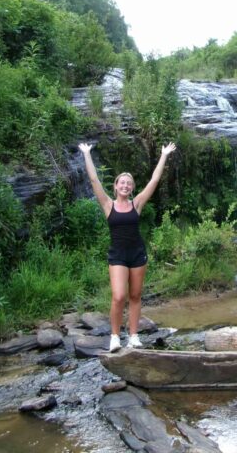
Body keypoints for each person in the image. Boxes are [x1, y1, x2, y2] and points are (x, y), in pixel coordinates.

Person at [77, 141, 176, 351]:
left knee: (135, 296)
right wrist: (86, 153)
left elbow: (154, 180)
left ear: (131, 188)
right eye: (122, 183)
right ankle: (115, 336)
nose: (125, 186)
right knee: (119, 296)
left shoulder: (136, 204)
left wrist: (164, 155)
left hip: (137, 254)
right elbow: (94, 179)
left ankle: (133, 336)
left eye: (128, 184)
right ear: (115, 186)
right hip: (118, 255)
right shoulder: (107, 205)